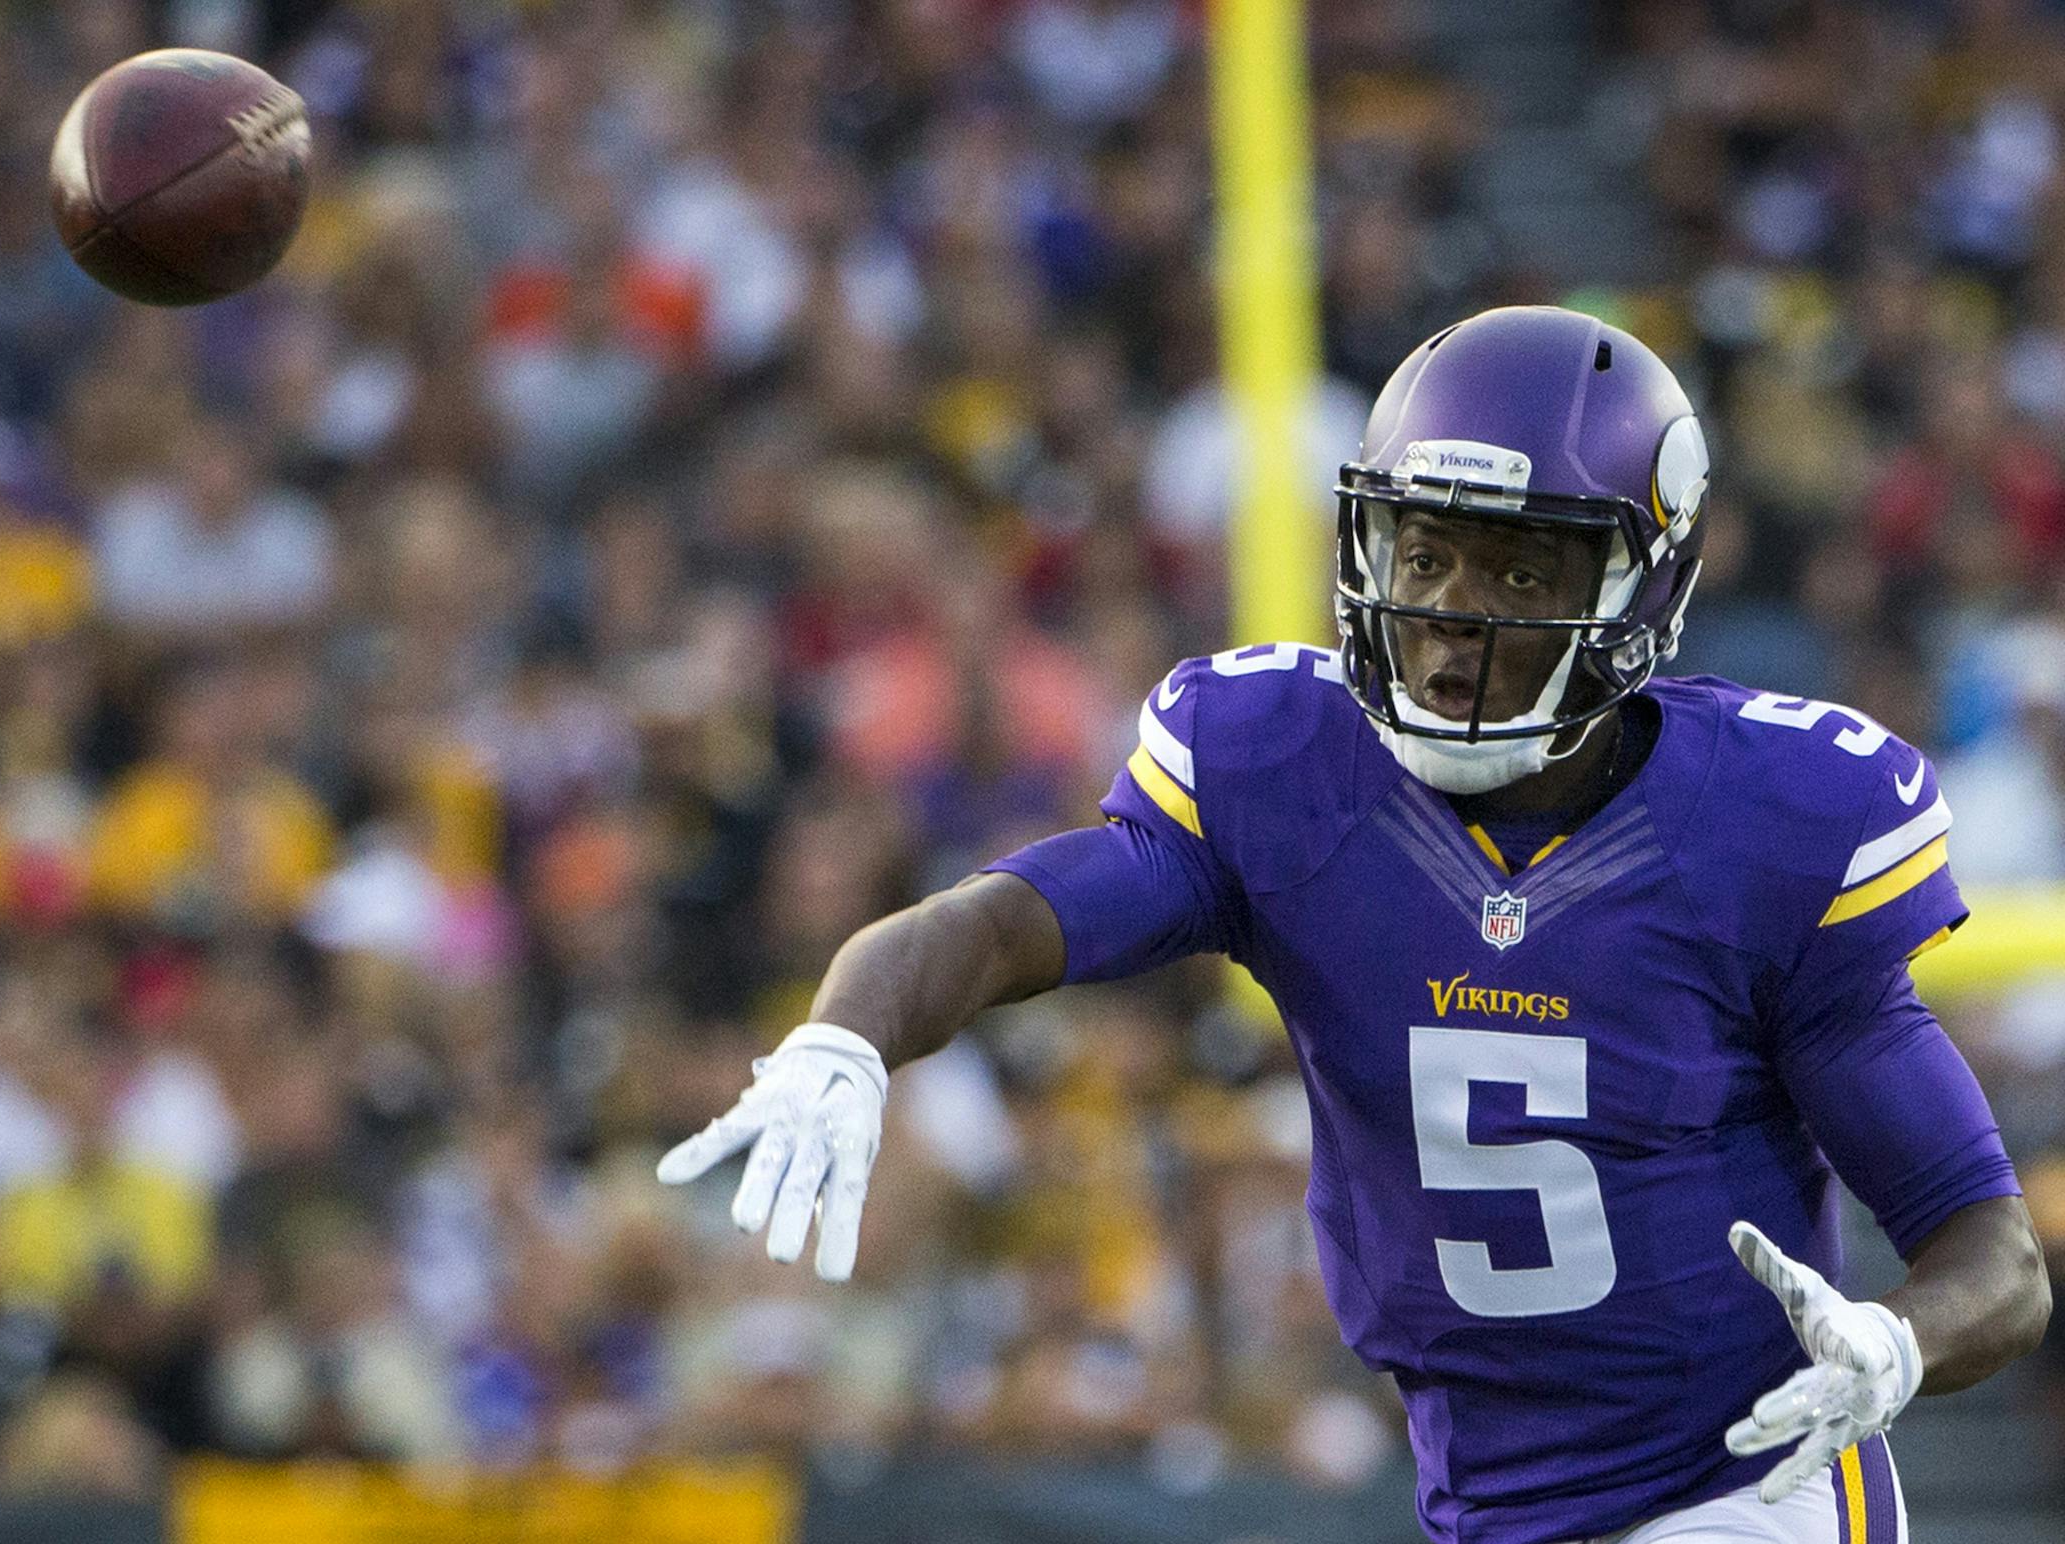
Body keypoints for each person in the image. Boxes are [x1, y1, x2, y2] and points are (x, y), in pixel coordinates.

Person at [658, 307, 2052, 1543]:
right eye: (1429, 553)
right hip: (1481, 1498)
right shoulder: (1285, 773)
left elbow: (1991, 1255)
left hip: (1741, 1486)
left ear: (1644, 588)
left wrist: (1892, 1345)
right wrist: (844, 1035)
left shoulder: (1766, 831)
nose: (1452, 617)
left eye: (1520, 574)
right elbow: (1002, 921)